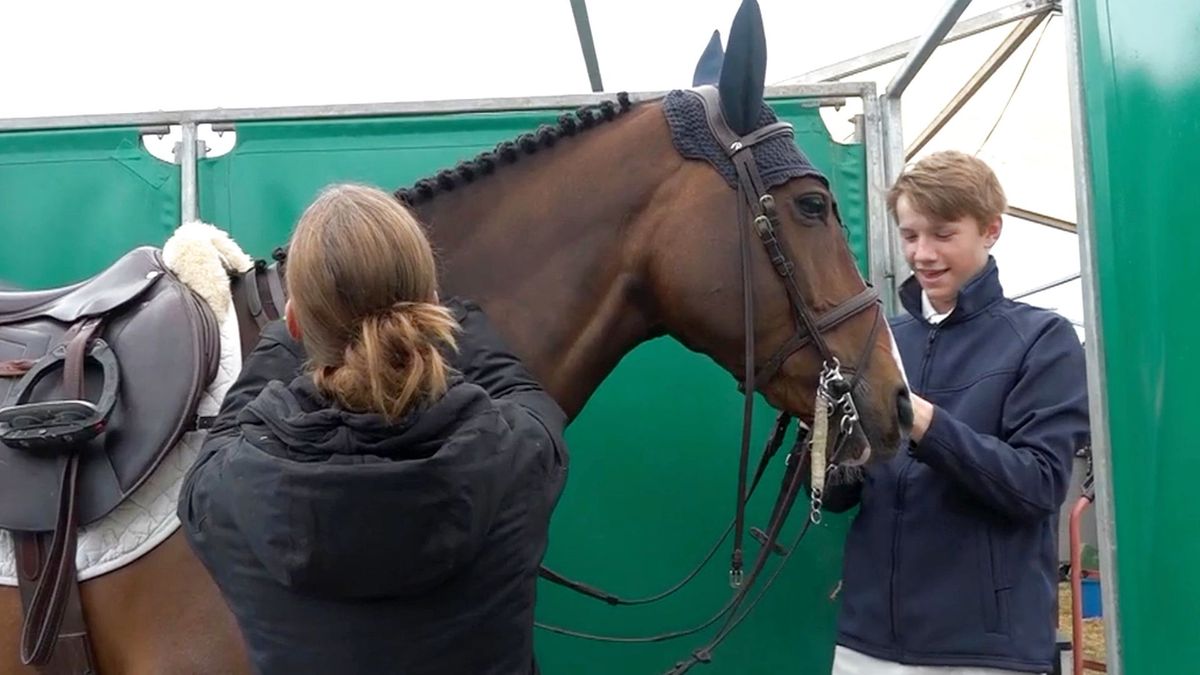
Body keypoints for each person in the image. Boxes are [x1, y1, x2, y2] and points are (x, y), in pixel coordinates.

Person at [177, 183, 570, 674]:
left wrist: (282, 335)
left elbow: (233, 421)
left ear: (297, 324)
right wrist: (460, 318)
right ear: (431, 308)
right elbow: (523, 393)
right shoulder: (522, 455)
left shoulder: (219, 490)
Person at [825, 151, 1090, 675]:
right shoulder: (881, 340)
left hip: (983, 652)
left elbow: (1037, 486)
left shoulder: (1043, 339)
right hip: (867, 645)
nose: (922, 254)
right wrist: (829, 445)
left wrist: (925, 423)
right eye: (909, 235)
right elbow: (839, 498)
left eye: (943, 235)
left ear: (991, 230)